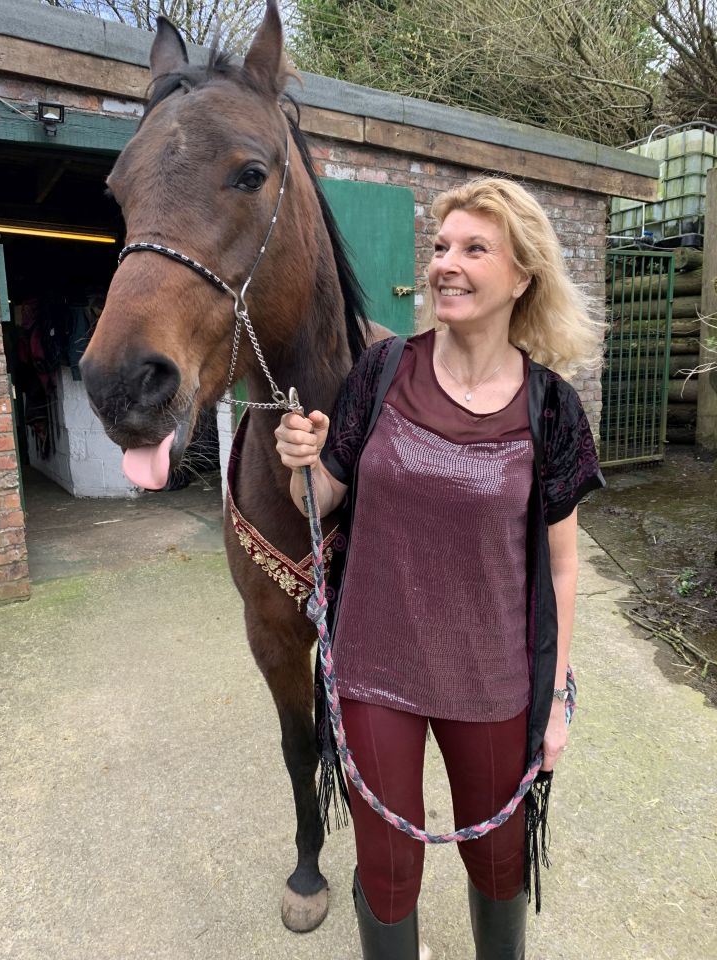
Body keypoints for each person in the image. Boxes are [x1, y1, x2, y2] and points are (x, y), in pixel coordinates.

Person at [274, 177, 605, 960]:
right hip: (375, 665)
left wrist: (556, 697)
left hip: (491, 678)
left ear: (522, 276)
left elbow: (563, 565)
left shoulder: (550, 409)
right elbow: (317, 502)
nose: (446, 264)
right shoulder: (382, 373)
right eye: (440, 247)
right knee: (388, 866)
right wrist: (302, 463)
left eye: (473, 249)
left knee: (497, 861)